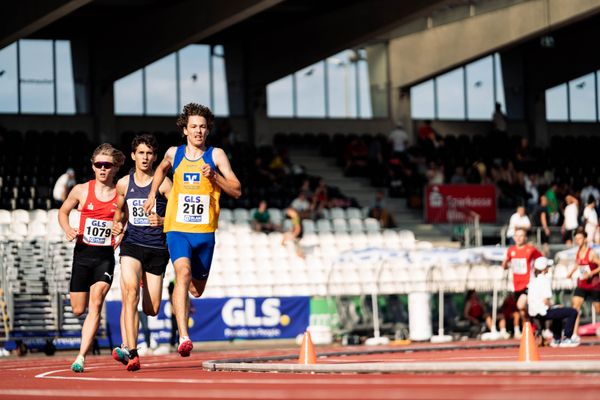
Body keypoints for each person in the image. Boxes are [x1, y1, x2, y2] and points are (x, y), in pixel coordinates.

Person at [143, 102, 241, 358]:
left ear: (208, 131)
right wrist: (153, 193)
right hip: (177, 228)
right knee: (182, 272)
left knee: (196, 290)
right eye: (193, 127)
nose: (198, 131)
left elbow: (237, 190)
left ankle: (183, 298)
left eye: (203, 127)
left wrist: (215, 177)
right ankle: (184, 336)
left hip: (205, 232)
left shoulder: (217, 155)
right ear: (184, 130)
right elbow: (161, 168)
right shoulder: (174, 154)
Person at [57, 143, 125, 372]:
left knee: (96, 303)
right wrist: (67, 229)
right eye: (99, 165)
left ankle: (81, 357)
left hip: (105, 257)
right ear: (93, 167)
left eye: (108, 165)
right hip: (83, 255)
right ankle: (84, 345)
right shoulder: (81, 190)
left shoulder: (121, 194)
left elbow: (126, 222)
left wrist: (120, 231)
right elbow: (63, 211)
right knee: (78, 309)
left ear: (115, 168)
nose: (103, 169)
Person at [111, 134, 172, 371]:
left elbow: (178, 219)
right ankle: (132, 351)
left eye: (150, 153)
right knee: (129, 294)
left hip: (157, 249)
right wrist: (117, 226)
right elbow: (119, 214)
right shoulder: (124, 184)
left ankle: (145, 283)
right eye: (141, 153)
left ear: (155, 157)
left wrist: (162, 219)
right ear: (134, 155)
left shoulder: (165, 185)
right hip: (132, 244)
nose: (145, 158)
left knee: (152, 309)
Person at [528, 257, 579, 347]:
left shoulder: (533, 281)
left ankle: (557, 339)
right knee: (573, 312)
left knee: (558, 313)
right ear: (544, 269)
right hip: (543, 312)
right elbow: (545, 301)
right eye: (547, 266)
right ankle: (567, 338)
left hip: (533, 313)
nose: (549, 268)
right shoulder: (545, 280)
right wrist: (555, 306)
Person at [501, 227, 542, 339]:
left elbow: (542, 261)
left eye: (521, 236)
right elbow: (505, 265)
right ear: (514, 238)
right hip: (516, 285)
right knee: (522, 312)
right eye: (517, 236)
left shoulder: (531, 250)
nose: (518, 238)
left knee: (521, 305)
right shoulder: (511, 250)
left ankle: (533, 327)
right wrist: (504, 263)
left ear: (525, 237)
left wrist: (538, 274)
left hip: (528, 284)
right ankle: (531, 329)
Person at [566, 227, 600, 338]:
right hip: (582, 284)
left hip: (594, 285)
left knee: (598, 309)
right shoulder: (578, 252)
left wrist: (590, 274)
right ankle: (574, 334)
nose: (577, 241)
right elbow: (578, 264)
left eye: (580, 238)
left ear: (585, 239)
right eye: (576, 239)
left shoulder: (592, 254)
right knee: (575, 307)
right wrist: (571, 272)